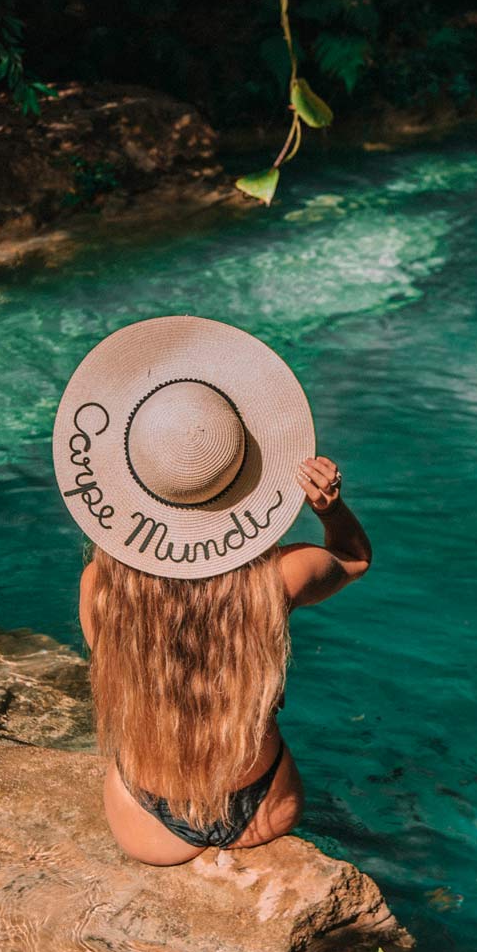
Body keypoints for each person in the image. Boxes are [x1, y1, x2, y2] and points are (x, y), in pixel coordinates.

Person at [52, 316, 372, 866]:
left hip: (145, 815)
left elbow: (113, 667)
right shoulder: (274, 581)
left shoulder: (100, 587)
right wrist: (330, 509)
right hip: (264, 801)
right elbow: (355, 559)